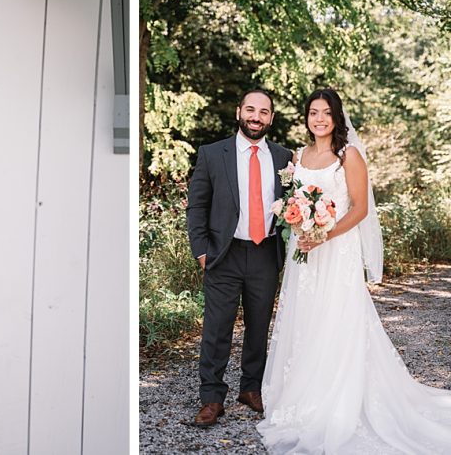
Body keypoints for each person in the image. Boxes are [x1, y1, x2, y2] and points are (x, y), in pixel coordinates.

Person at [257, 88, 451, 453]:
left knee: (336, 320)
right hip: (305, 255)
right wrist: (299, 226)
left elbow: (359, 208)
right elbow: (293, 203)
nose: (319, 119)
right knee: (305, 321)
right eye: (313, 112)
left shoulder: (349, 156)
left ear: (336, 117)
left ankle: (336, 400)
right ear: (306, 116)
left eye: (325, 113)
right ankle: (302, 394)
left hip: (336, 252)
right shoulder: (298, 156)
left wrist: (324, 232)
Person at [186, 89, 294, 426]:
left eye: (263, 112)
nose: (256, 117)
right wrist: (202, 251)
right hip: (224, 253)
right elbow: (197, 206)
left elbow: (292, 205)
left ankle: (251, 388)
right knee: (217, 329)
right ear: (238, 112)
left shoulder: (283, 157)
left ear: (271, 119)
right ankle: (212, 398)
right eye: (250, 109)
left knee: (259, 327)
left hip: (265, 252)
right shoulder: (212, 153)